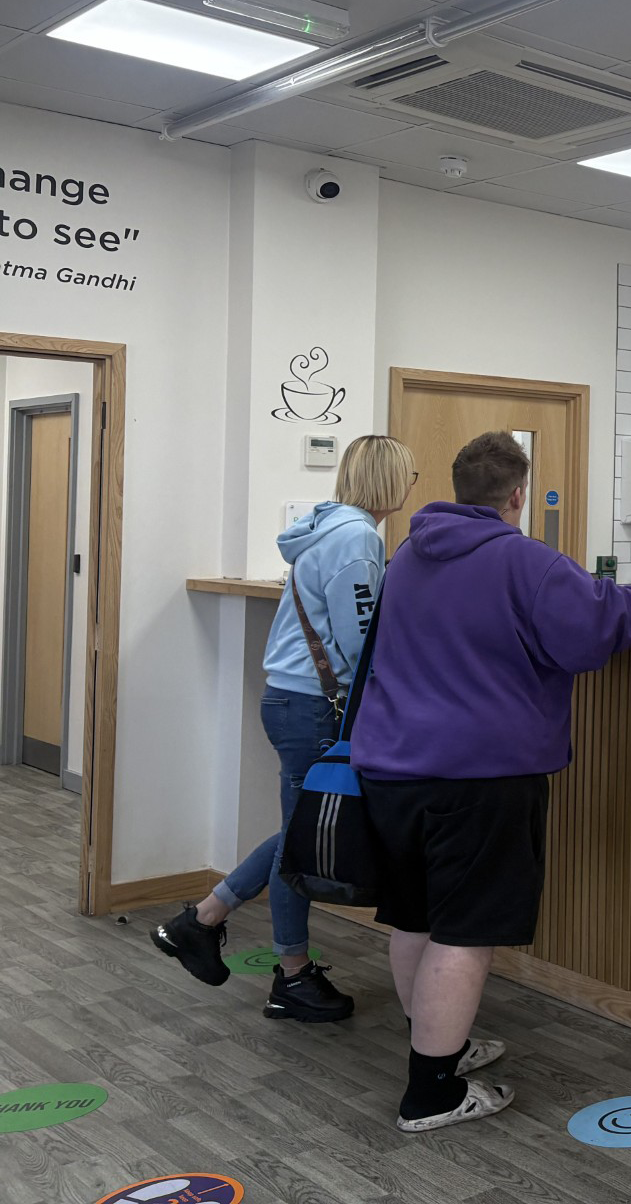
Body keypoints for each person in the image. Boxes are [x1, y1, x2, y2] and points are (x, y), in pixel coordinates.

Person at [350, 431, 631, 1133]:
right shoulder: (525, 560)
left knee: (413, 915)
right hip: (480, 774)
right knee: (467, 931)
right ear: (516, 495)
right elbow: (593, 628)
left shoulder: (408, 554)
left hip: (389, 765)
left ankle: (435, 1041)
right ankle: (432, 1092)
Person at [152, 435, 419, 1023]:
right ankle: (287, 973)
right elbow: (361, 638)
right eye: (409, 475)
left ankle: (202, 924)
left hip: (294, 700)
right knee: (302, 837)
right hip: (317, 707)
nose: (412, 485)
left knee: (300, 828)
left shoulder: (324, 528)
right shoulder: (356, 538)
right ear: (386, 480)